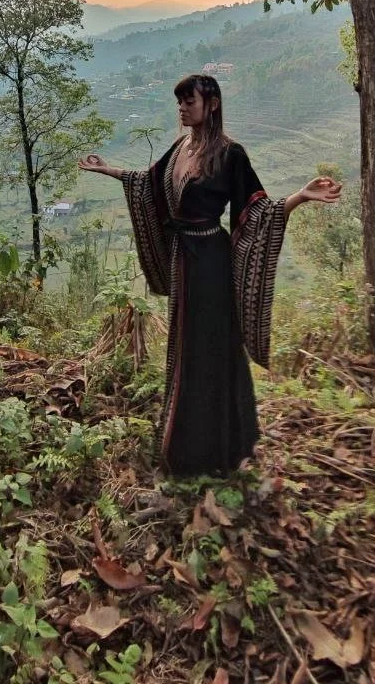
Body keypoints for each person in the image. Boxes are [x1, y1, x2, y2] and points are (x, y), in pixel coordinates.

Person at [79, 73, 342, 478]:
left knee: (210, 348)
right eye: (180, 102)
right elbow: (147, 184)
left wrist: (300, 197)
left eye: (190, 101)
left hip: (211, 263)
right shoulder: (181, 147)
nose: (183, 108)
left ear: (212, 104)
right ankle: (186, 443)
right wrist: (107, 170)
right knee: (185, 346)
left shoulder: (230, 155)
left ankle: (213, 450)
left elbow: (257, 211)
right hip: (183, 259)